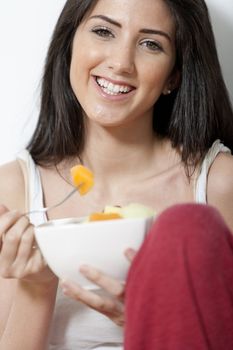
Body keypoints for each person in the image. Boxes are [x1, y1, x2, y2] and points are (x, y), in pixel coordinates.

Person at [0, 0, 233, 349]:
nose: (121, 63)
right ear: (70, 45)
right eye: (103, 31)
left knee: (188, 227)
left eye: (151, 44)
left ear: (174, 74)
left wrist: (148, 320)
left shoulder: (220, 184)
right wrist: (36, 288)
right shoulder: (12, 190)